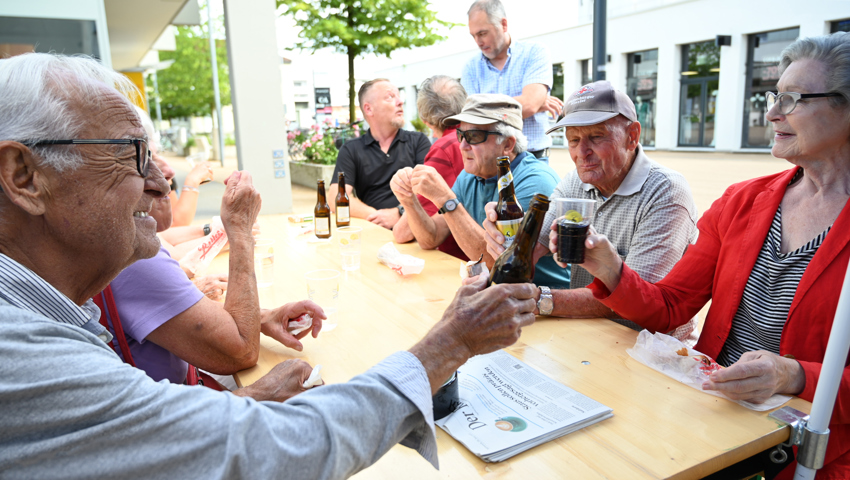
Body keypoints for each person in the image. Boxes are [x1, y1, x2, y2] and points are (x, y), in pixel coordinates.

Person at [0, 53, 537, 478]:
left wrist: (243, 397)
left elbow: (145, 438)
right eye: (130, 154)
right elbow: (269, 447)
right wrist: (449, 344)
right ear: (24, 176)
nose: (161, 182)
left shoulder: (43, 313)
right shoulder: (25, 357)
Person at [572, 33, 850, 478]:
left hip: (810, 454)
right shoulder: (743, 201)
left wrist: (796, 375)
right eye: (775, 97)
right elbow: (670, 307)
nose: (772, 113)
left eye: (793, 99)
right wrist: (611, 269)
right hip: (710, 424)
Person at [101, 129, 326, 385]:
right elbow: (241, 352)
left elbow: (172, 254)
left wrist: (264, 317)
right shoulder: (131, 251)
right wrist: (239, 230)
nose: (168, 173)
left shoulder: (119, 237)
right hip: (180, 397)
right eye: (144, 158)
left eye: (158, 155)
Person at [481, 81, 699, 343]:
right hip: (586, 335)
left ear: (632, 136)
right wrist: (507, 236)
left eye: (596, 137)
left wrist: (536, 300)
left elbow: (639, 300)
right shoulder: (576, 181)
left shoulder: (666, 192)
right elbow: (531, 247)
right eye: (573, 140)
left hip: (652, 348)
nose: (581, 153)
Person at [391, 94, 569, 289]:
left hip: (545, 298)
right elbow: (431, 238)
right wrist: (409, 200)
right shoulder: (470, 176)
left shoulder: (535, 181)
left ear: (507, 145)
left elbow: (500, 261)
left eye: (474, 136)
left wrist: (445, 199)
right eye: (461, 135)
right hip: (505, 293)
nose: (462, 145)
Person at [461, 0, 563, 163]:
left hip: (533, 158)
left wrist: (485, 109)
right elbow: (472, 118)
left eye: (482, 33)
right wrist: (530, 103)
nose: (478, 41)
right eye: (473, 36)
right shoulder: (471, 68)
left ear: (503, 24)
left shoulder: (534, 52)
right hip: (489, 163)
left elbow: (530, 104)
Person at [328, 78, 431, 230]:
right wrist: (378, 216)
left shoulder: (418, 142)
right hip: (374, 229)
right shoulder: (351, 149)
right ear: (369, 109)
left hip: (413, 230)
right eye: (390, 97)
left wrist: (399, 213)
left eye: (399, 96)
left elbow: (430, 190)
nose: (400, 102)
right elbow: (335, 198)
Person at [393, 75, 469, 260]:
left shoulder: (446, 147)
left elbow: (405, 233)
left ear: (425, 119)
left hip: (456, 259)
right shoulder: (474, 138)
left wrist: (404, 204)